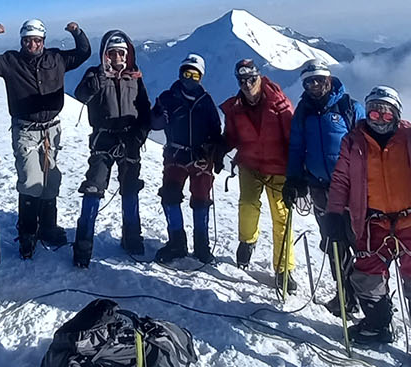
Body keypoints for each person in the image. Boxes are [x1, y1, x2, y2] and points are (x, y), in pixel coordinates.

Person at [325, 86, 411, 367]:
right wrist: (334, 214)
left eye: (386, 110)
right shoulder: (353, 142)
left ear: (397, 113)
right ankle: (378, 326)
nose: (378, 117)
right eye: (373, 110)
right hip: (372, 223)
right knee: (367, 276)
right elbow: (340, 180)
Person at [0, 19, 91, 258]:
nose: (32, 44)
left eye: (37, 40)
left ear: (43, 41)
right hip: (26, 130)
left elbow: (84, 52)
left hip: (52, 130)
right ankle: (28, 232)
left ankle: (48, 228)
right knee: (32, 180)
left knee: (51, 178)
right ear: (22, 41)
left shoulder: (56, 58)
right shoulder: (11, 61)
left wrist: (77, 32)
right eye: (27, 40)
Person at [284, 59, 360, 318]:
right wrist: (294, 178)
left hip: (351, 189)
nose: (315, 85)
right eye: (309, 82)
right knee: (333, 243)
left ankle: (370, 298)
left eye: (319, 80)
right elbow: (296, 147)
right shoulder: (303, 112)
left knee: (359, 243)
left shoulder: (349, 107)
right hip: (319, 188)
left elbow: (367, 147)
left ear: (329, 80)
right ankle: (346, 295)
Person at [71, 30, 151, 266]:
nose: (117, 57)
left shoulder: (135, 77)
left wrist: (141, 134)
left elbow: (144, 110)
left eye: (120, 53)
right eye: (112, 52)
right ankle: (82, 249)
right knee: (93, 189)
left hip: (129, 140)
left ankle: (132, 239)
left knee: (130, 189)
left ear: (127, 55)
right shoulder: (95, 75)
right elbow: (80, 95)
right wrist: (93, 83)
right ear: (105, 54)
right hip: (103, 141)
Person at [219, 59, 297, 293]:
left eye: (252, 79)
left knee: (281, 217)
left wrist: (297, 173)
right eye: (242, 80)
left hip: (279, 168)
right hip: (250, 165)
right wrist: (217, 148)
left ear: (260, 77)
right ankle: (247, 241)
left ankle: (284, 270)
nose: (247, 84)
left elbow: (293, 140)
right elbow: (231, 136)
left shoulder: (279, 105)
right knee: (248, 205)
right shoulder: (235, 108)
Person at [149, 54, 224, 263]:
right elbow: (154, 125)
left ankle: (201, 247)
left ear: (201, 77)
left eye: (194, 75)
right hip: (176, 154)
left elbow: (216, 131)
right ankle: (177, 243)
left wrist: (214, 152)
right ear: (180, 73)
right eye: (186, 73)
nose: (189, 78)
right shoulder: (168, 98)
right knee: (170, 195)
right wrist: (157, 114)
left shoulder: (206, 101)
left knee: (201, 201)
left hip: (200, 157)